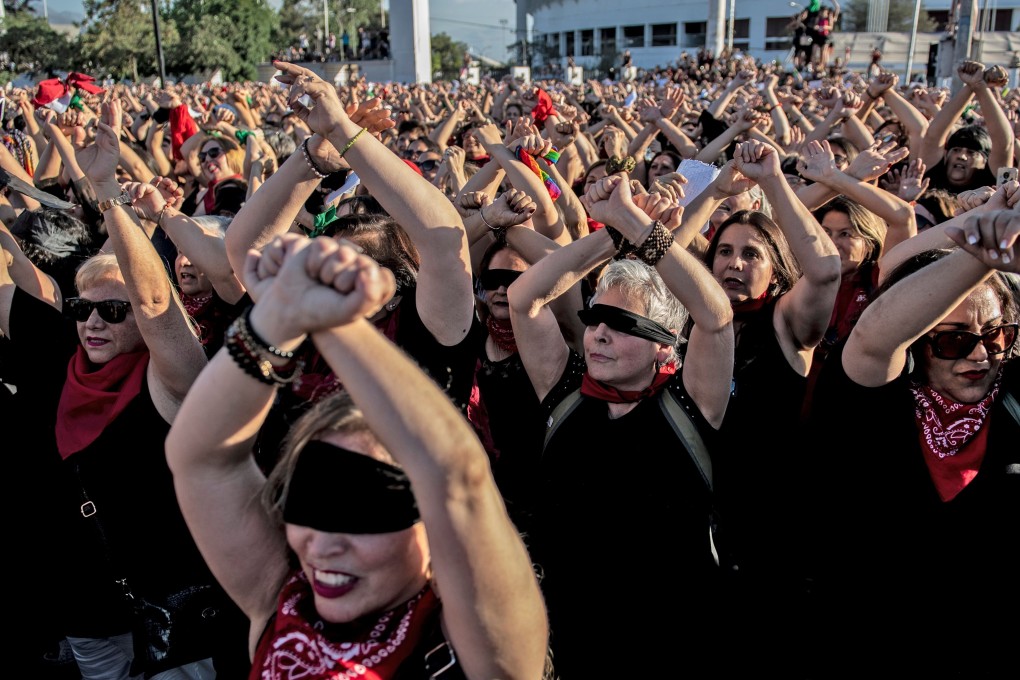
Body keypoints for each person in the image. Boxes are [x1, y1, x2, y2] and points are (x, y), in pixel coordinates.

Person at [164, 232, 549, 680]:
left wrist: (330, 320)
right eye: (305, 502)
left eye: (365, 511)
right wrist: (277, 315)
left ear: (434, 522)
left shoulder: (483, 647)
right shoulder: (282, 599)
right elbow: (203, 456)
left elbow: (456, 477)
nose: (324, 544)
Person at [0, 100, 244, 679]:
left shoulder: (172, 378)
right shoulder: (69, 355)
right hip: (85, 598)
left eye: (113, 310)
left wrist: (109, 193)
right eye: (84, 309)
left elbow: (157, 304)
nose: (93, 323)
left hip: (177, 613)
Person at [507, 175, 735, 677]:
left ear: (666, 346)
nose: (601, 335)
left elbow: (715, 318)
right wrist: (612, 233)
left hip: (670, 643)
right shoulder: (567, 390)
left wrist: (640, 226)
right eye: (595, 318)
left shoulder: (689, 403)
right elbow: (524, 297)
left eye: (626, 325)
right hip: (563, 640)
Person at [805, 210, 1019, 676]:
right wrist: (985, 252)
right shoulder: (876, 396)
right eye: (954, 341)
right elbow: (877, 324)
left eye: (997, 335)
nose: (981, 354)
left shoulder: (1013, 400)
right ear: (916, 340)